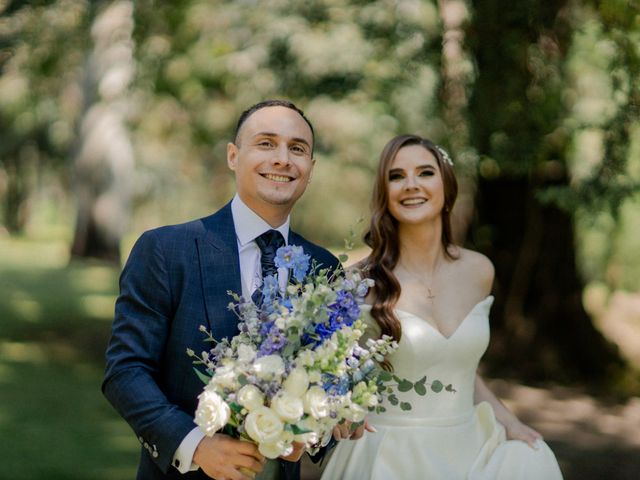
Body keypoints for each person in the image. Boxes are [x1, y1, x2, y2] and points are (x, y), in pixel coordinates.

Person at [102, 100, 340, 480]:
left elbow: (329, 384)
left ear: (311, 168)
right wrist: (195, 445)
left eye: (297, 149)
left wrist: (316, 432)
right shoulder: (166, 250)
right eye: (265, 143)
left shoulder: (324, 268)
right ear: (233, 156)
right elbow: (126, 371)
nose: (282, 159)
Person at [321, 134, 563, 479]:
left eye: (425, 172)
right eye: (396, 176)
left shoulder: (479, 271)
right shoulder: (357, 283)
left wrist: (509, 421)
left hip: (468, 451)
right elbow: (333, 374)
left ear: (446, 186)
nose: (411, 185)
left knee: (533, 459)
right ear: (384, 193)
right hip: (389, 457)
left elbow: (459, 368)